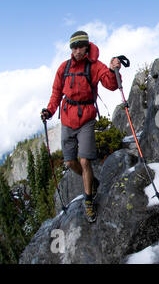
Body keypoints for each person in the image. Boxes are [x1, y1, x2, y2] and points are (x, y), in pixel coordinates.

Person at [41, 31, 121, 223]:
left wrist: (113, 70)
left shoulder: (95, 66)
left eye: (80, 47)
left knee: (85, 161)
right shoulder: (64, 68)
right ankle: (92, 181)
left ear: (86, 46)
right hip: (68, 119)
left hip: (86, 118)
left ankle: (88, 200)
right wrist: (50, 111)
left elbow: (111, 85)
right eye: (74, 47)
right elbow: (56, 92)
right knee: (70, 163)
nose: (77, 51)